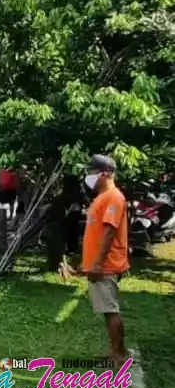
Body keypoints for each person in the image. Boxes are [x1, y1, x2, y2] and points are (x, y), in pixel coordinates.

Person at [81, 154, 129, 364]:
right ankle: (117, 353)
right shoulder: (101, 198)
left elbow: (110, 233)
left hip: (106, 266)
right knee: (108, 310)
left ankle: (119, 356)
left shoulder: (113, 197)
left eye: (92, 171)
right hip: (98, 265)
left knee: (110, 310)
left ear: (106, 173)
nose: (89, 176)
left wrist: (98, 264)